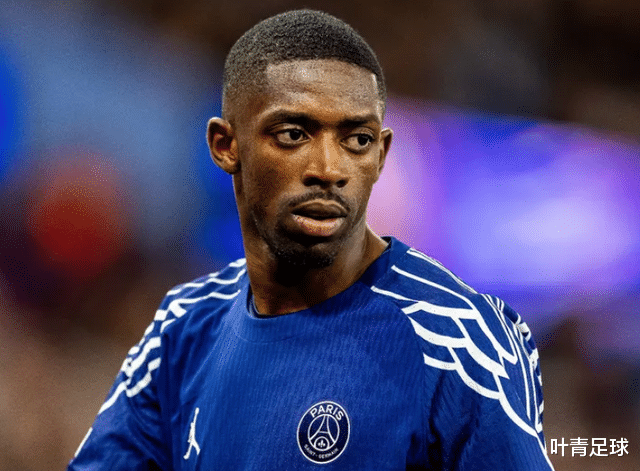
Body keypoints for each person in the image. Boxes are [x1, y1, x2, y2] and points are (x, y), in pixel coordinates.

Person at [68, 9, 554, 470]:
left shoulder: (457, 340)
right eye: (293, 134)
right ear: (226, 146)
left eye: (357, 140)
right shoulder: (184, 328)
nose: (328, 169)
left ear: (381, 155)